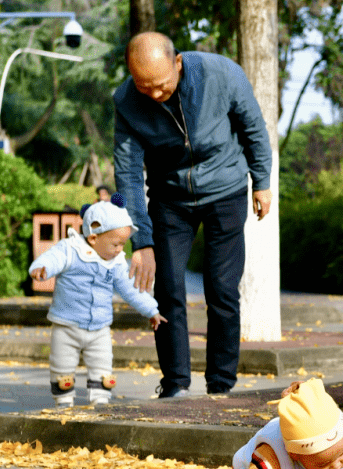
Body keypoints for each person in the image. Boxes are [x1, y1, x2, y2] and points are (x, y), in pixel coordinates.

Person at [113, 31, 273, 398]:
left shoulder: (220, 73)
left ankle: (220, 385)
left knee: (221, 289)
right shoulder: (125, 100)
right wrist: (141, 239)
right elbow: (127, 173)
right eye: (143, 86)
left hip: (226, 189)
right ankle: (175, 385)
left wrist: (262, 181)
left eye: (161, 85)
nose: (154, 94)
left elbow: (253, 127)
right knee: (167, 289)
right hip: (169, 199)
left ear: (178, 62)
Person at [29, 195, 166, 407]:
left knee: (102, 367)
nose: (121, 249)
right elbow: (52, 258)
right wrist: (42, 268)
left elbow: (131, 289)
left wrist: (151, 309)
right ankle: (64, 402)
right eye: (116, 244)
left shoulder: (116, 263)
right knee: (62, 366)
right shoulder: (71, 249)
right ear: (93, 239)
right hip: (67, 324)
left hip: (100, 328)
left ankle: (100, 402)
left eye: (123, 244)